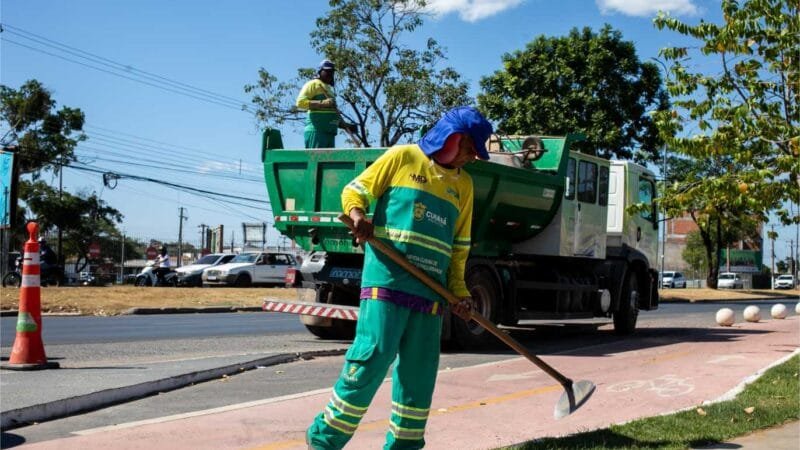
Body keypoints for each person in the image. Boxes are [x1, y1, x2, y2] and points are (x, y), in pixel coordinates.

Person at [306, 106, 493, 450]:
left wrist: (460, 292)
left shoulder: (464, 185)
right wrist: (358, 215)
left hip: (431, 293)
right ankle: (324, 441)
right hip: (388, 282)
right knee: (372, 359)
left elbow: (459, 247)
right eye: (469, 149)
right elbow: (355, 190)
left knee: (419, 376)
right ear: (451, 138)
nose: (471, 158)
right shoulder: (403, 157)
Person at [296, 59, 341, 149]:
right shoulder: (313, 84)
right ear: (320, 71)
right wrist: (322, 103)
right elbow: (300, 103)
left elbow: (331, 113)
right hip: (317, 131)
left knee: (328, 159)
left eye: (332, 72)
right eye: (327, 71)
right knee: (316, 158)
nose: (330, 74)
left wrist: (346, 126)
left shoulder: (329, 89)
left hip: (329, 133)